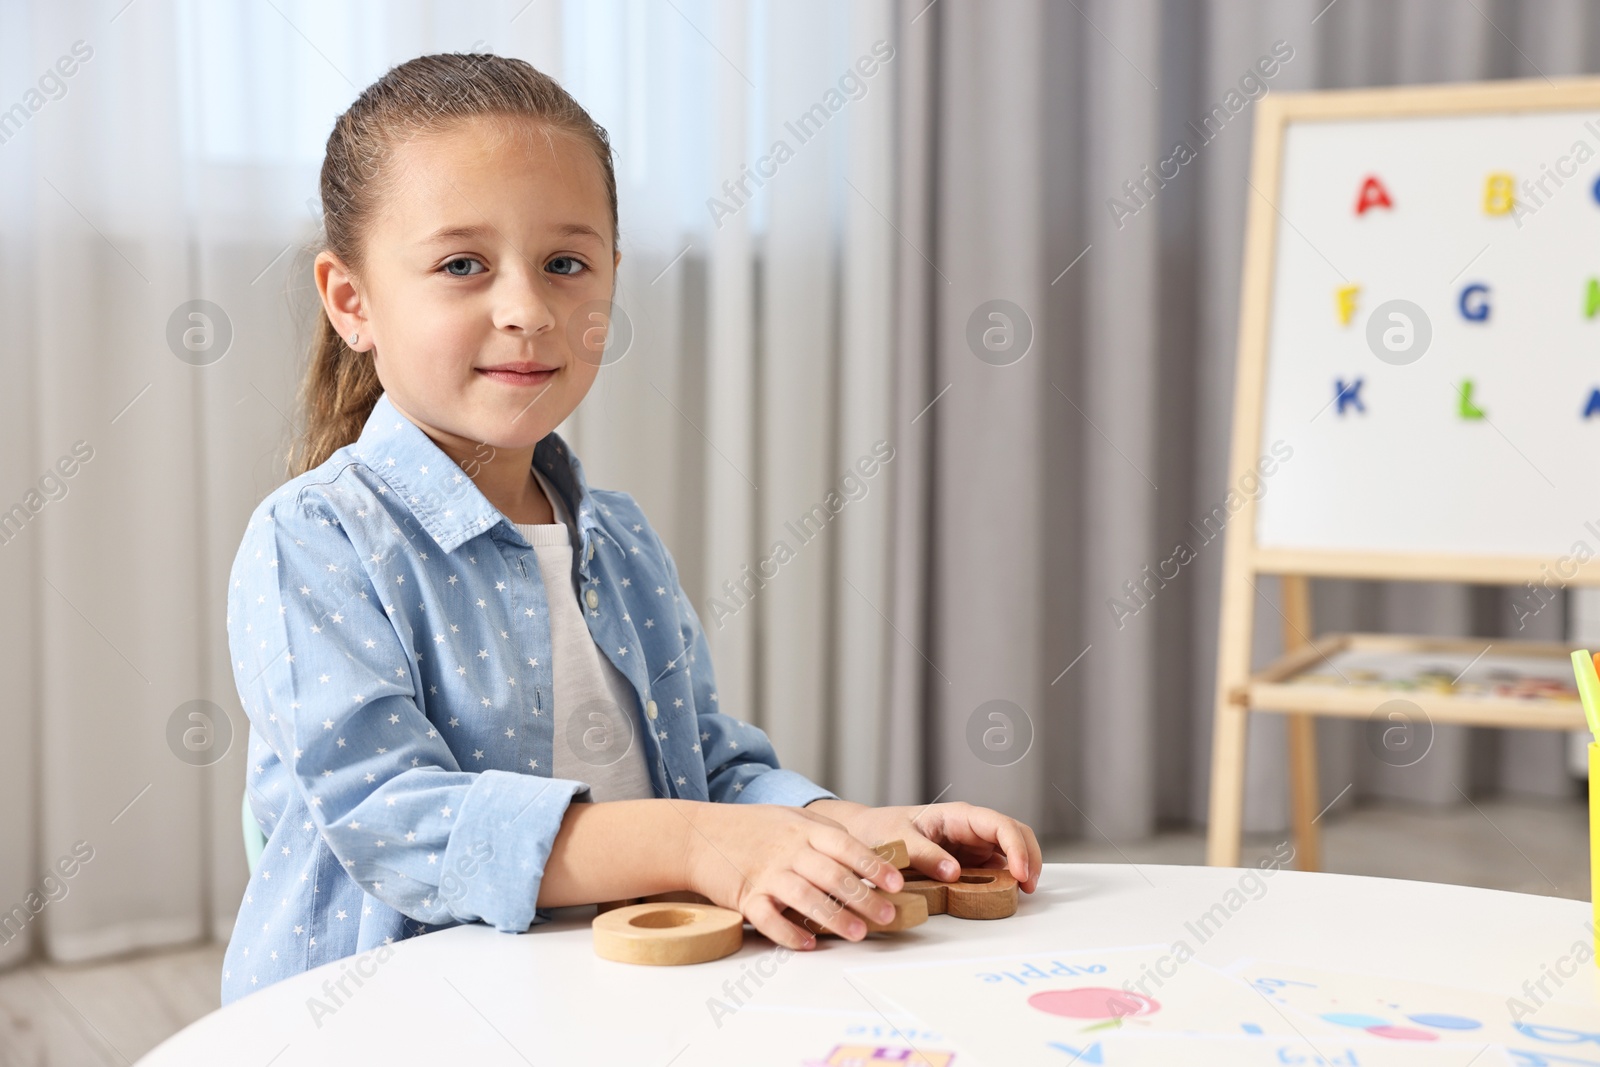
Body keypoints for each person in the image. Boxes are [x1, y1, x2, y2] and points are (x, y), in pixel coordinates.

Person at [221, 51, 1040, 1004]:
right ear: (351, 301)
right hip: (389, 1018)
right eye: (461, 265)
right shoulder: (314, 542)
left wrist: (848, 830)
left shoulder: (617, 538)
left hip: (616, 1000)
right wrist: (698, 842)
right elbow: (400, 820)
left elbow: (711, 764)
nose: (529, 310)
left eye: (566, 263)